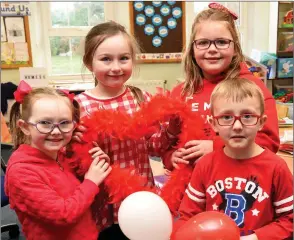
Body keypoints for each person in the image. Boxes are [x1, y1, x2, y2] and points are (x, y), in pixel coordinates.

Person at [74, 21, 177, 239]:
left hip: (142, 197)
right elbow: (73, 160)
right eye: (105, 59)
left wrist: (172, 131)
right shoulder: (80, 107)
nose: (116, 67)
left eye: (124, 58)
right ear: (89, 63)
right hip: (103, 201)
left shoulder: (141, 98)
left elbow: (155, 147)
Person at [162, 3, 280, 171]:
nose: (212, 49)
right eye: (203, 43)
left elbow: (269, 143)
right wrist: (170, 157)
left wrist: (217, 147)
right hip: (189, 188)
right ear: (192, 49)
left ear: (235, 48)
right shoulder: (180, 93)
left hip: (236, 183)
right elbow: (166, 143)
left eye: (222, 42)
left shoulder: (253, 89)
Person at [172, 78, 293, 240]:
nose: (237, 126)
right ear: (213, 123)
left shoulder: (276, 168)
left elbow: (289, 220)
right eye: (227, 117)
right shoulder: (205, 165)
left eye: (248, 116)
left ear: (262, 122)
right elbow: (187, 216)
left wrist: (254, 238)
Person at [5, 81, 112, 240]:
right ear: (25, 127)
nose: (56, 131)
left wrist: (94, 166)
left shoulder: (58, 155)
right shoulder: (21, 172)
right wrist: (91, 181)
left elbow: (78, 195)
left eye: (64, 123)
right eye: (45, 123)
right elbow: (63, 215)